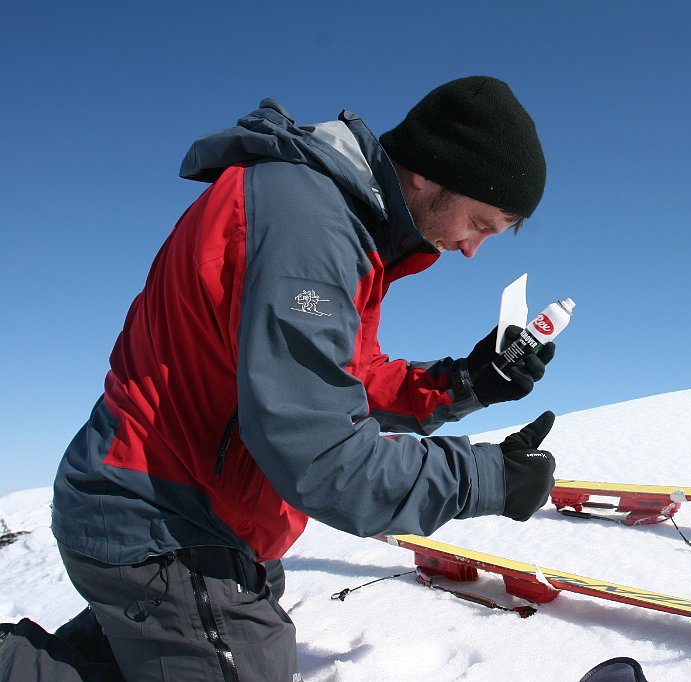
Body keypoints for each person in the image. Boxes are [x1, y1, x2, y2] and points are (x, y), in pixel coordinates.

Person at [47, 76, 558, 681]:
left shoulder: (344, 225)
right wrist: (484, 479)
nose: (471, 250)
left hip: (203, 516)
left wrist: (464, 383)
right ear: (430, 170)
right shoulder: (308, 225)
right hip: (162, 519)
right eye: (479, 223)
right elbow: (320, 454)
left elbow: (349, 380)